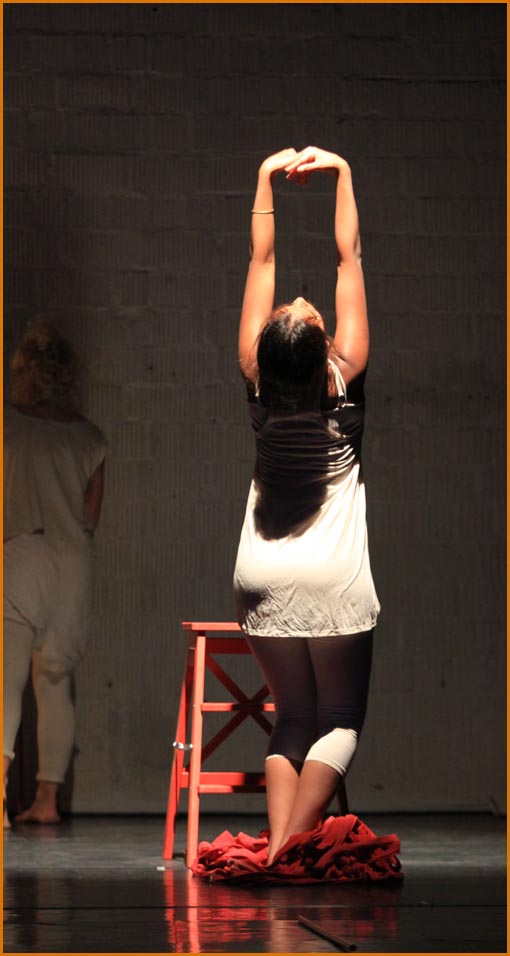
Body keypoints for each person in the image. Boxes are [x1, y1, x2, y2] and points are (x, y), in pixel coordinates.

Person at [233, 146, 381, 866]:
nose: (300, 296)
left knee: (292, 717)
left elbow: (261, 261)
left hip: (260, 570)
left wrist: (265, 178)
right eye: (307, 309)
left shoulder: (256, 378)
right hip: (332, 573)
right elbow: (349, 258)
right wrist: (343, 171)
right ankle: (289, 850)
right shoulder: (344, 375)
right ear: (323, 344)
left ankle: (276, 854)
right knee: (340, 718)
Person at [3, 317, 107, 827]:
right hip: (73, 560)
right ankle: (47, 800)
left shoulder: (8, 424)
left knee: (6, 681)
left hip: (23, 552)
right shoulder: (90, 437)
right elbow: (91, 515)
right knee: (55, 682)